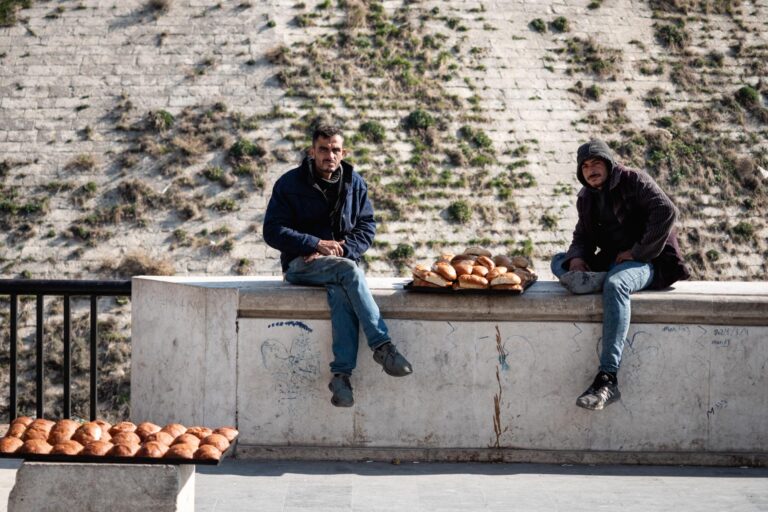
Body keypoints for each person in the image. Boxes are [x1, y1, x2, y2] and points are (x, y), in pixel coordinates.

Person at [263, 124, 412, 408]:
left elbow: (367, 226)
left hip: (339, 264)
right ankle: (382, 347)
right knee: (348, 271)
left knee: (342, 289)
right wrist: (313, 244)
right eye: (323, 149)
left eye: (335, 150)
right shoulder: (290, 183)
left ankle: (341, 377)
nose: (329, 155)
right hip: (300, 264)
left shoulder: (355, 183)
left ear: (343, 152)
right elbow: (272, 230)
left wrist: (341, 249)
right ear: (312, 152)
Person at [551, 139, 690, 411]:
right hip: (614, 259)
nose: (591, 170)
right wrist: (578, 259)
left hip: (649, 260)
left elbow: (667, 211)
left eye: (597, 163)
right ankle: (591, 277)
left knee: (616, 284)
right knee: (561, 261)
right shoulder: (587, 198)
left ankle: (608, 378)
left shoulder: (633, 180)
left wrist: (638, 251)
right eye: (586, 166)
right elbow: (582, 236)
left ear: (608, 163)